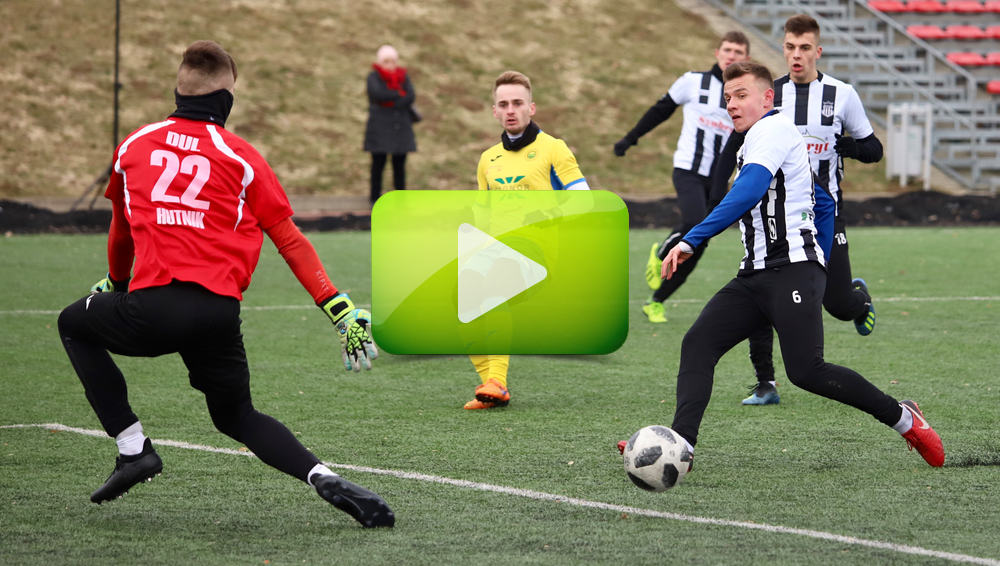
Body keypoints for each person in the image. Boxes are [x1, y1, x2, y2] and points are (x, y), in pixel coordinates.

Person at [57, 40, 393, 528]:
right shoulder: (241, 156)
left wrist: (114, 283)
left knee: (73, 322)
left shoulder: (135, 144)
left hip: (154, 308)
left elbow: (122, 229)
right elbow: (290, 240)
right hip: (218, 313)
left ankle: (133, 450)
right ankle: (322, 476)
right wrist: (337, 309)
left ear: (179, 89)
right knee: (237, 417)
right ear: (225, 100)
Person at [619, 61, 943, 469]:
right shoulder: (756, 138)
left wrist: (693, 238)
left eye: (740, 96)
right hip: (754, 275)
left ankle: (903, 417)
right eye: (727, 99)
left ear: (767, 97)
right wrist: (821, 259)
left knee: (806, 371)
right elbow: (822, 199)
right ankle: (681, 445)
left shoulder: (772, 129)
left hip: (790, 271)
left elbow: (749, 191)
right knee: (698, 344)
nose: (731, 105)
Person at [713, 15, 883, 406]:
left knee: (836, 304)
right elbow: (734, 146)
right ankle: (765, 382)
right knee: (760, 285)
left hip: (826, 214)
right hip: (774, 216)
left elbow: (874, 149)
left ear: (817, 51)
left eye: (804, 47)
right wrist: (716, 197)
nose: (796, 55)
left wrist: (851, 148)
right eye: (790, 46)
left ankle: (858, 302)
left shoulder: (842, 94)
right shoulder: (767, 95)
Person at [464, 70, 591, 410]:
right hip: (494, 247)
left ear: (531, 108)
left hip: (536, 251)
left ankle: (498, 381)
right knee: (458, 302)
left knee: (494, 286)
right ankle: (489, 385)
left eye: (517, 103)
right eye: (503, 104)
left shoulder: (553, 149)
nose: (511, 110)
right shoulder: (487, 159)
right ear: (494, 111)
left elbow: (584, 199)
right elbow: (481, 215)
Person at [613, 31, 751, 324]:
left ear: (746, 58)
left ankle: (656, 301)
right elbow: (660, 110)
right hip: (688, 169)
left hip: (719, 179)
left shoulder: (745, 96)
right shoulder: (692, 81)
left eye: (738, 52)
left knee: (699, 243)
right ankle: (662, 252)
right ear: (717, 52)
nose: (732, 56)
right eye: (727, 50)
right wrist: (630, 139)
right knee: (693, 222)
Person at [364, 45, 417, 204]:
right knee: (378, 163)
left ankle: (400, 199)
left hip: (400, 127)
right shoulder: (374, 77)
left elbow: (411, 95)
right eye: (386, 61)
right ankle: (374, 198)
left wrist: (392, 99)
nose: (390, 65)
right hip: (379, 128)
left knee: (399, 164)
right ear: (380, 62)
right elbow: (377, 94)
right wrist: (398, 94)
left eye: (392, 61)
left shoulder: (403, 76)